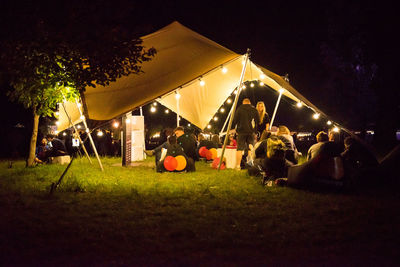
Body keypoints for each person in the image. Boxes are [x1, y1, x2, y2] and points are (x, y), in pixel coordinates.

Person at [231, 98, 259, 170]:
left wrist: (237, 128)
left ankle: (238, 166)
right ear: (249, 103)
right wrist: (255, 130)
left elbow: (235, 120)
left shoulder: (239, 109)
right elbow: (258, 120)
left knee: (239, 149)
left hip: (241, 131)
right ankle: (249, 164)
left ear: (243, 102)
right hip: (251, 131)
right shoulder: (254, 109)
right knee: (250, 148)